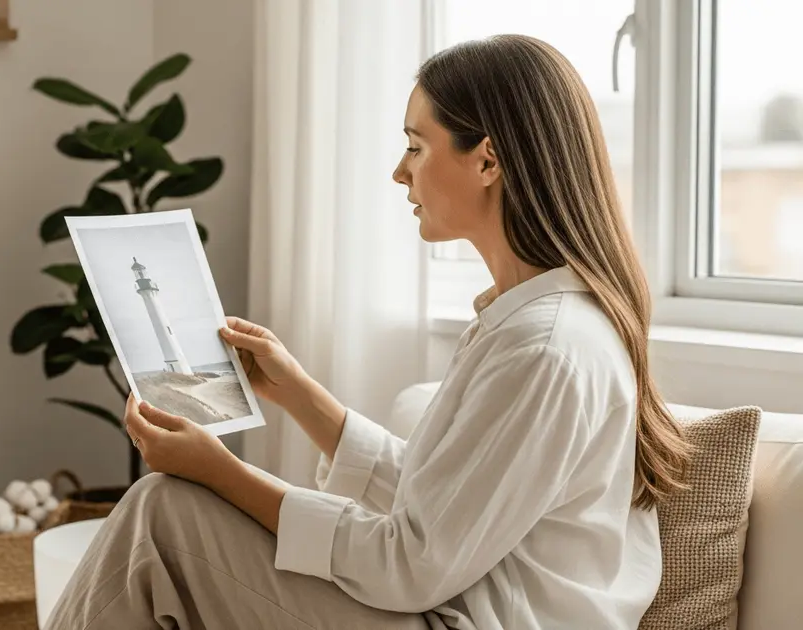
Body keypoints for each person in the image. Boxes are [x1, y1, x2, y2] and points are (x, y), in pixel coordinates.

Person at [44, 34, 693, 630]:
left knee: (165, 514)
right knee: (166, 512)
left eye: (416, 145)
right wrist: (299, 393)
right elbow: (438, 502)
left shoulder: (544, 348)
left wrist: (220, 473)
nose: (399, 172)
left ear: (487, 160)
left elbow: (409, 561)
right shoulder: (534, 324)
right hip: (452, 606)